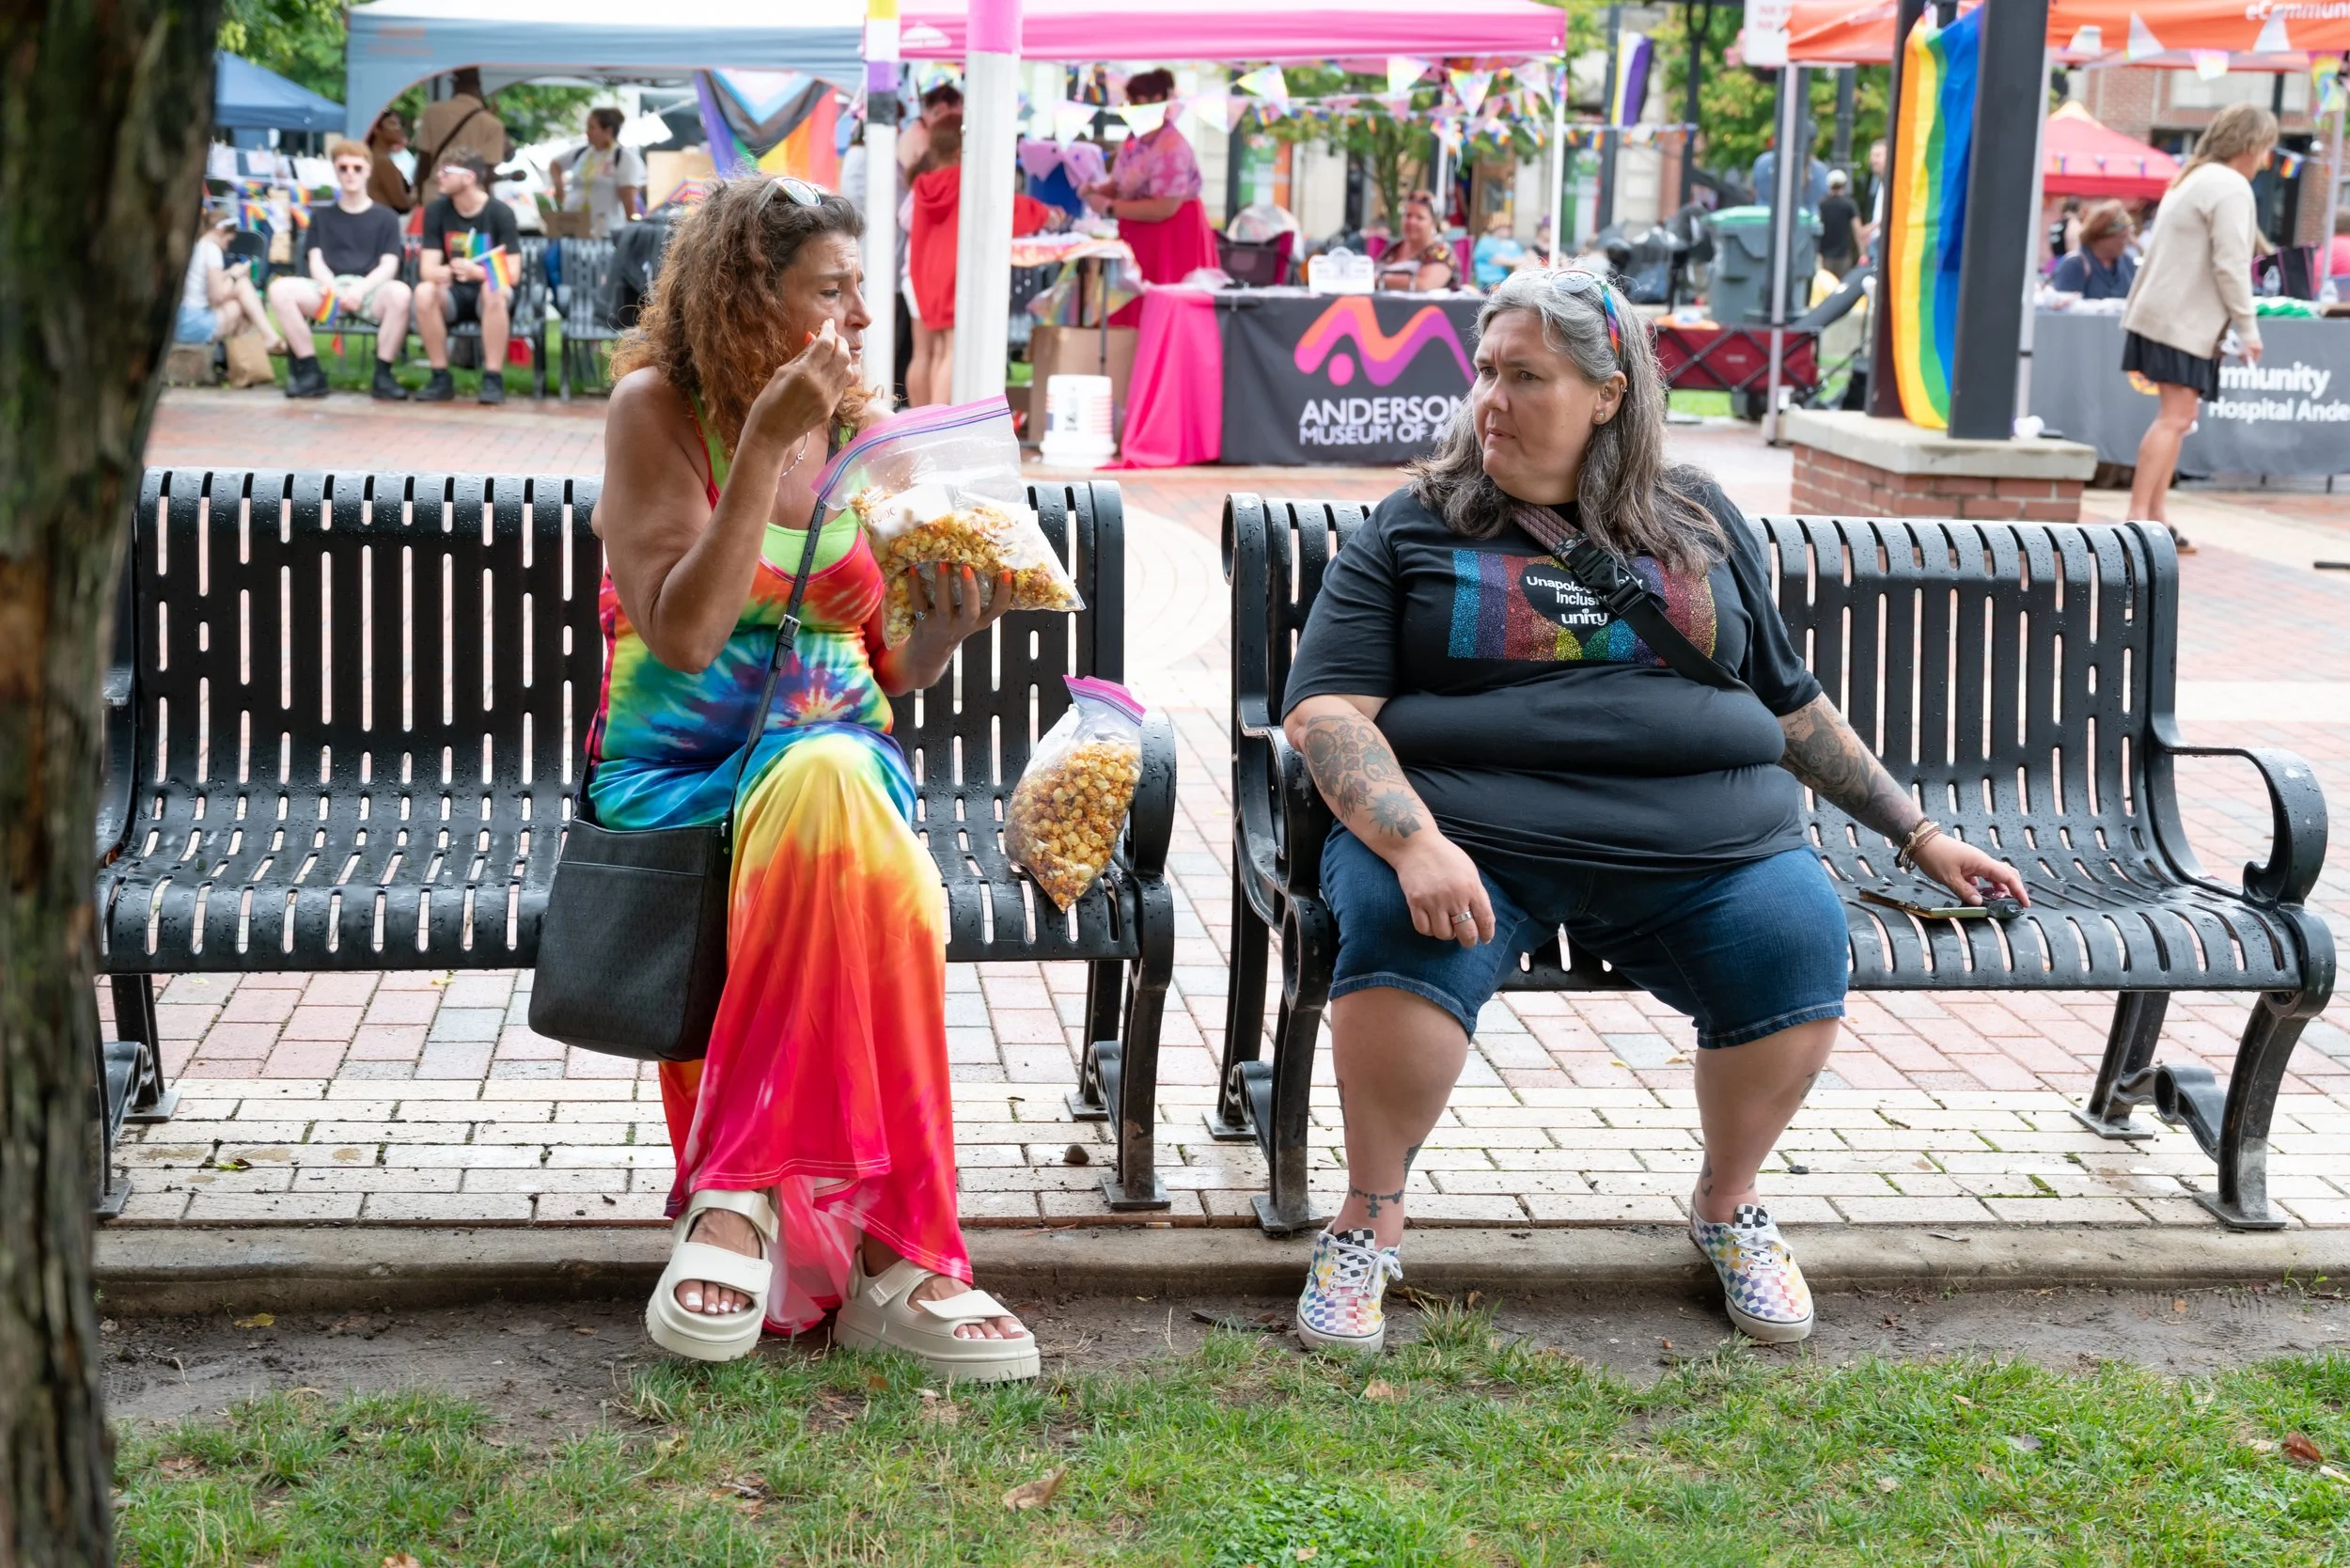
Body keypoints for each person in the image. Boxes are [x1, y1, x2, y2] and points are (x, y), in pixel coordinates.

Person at [1276, 266, 2026, 1354]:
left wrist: (1917, 832)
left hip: (1704, 843)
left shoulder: (1697, 518)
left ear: (1608, 394)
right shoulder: (1416, 523)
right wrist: (1414, 842)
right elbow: (1327, 712)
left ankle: (1728, 1205)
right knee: (1398, 924)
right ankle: (1369, 1220)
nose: (1489, 399)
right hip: (1476, 838)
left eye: (1526, 376)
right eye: (1485, 370)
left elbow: (1787, 698)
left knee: (1794, 934)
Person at [595, 174, 1039, 1379]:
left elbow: (883, 666)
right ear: (747, 299)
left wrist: (949, 623)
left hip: (838, 774)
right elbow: (683, 636)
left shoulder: (861, 433)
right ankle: (903, 1257)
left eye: (859, 289)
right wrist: (762, 448)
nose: (852, 317)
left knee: (840, 783)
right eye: (825, 291)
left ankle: (733, 1200)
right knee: (863, 851)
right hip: (687, 785)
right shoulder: (657, 412)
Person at [2121, 102, 2276, 549]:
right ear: (2251, 145)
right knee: (2175, 418)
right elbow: (2231, 263)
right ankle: (2138, 519)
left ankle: (2155, 516)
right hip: (2181, 319)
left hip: (2168, 314)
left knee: (2178, 418)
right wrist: (2249, 328)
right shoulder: (2228, 186)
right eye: (2265, 147)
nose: (2266, 159)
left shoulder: (2194, 178)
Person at [905, 118, 1057, 406]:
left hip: (924, 274)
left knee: (928, 352)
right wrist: (1044, 214)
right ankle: (940, 427)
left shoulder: (924, 184)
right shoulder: (967, 178)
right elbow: (1006, 209)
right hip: (955, 272)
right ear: (963, 146)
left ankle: (919, 422)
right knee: (951, 350)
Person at [265, 139, 413, 400]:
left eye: (357, 168)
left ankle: (383, 375)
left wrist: (360, 289)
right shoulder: (321, 217)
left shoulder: (386, 217)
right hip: (328, 291)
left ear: (368, 170)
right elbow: (316, 259)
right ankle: (310, 372)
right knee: (279, 290)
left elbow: (389, 265)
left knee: (400, 293)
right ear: (336, 171)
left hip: (370, 291)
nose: (350, 174)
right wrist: (330, 285)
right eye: (343, 168)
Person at [1080, 68, 1220, 319]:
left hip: (1171, 235)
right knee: (1131, 303)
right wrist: (1096, 190)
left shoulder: (1171, 146)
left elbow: (1165, 207)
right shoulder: (1136, 139)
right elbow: (1122, 182)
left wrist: (1110, 207)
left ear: (1155, 102)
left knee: (1160, 307)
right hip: (1138, 232)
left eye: (1134, 103)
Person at [415, 151, 522, 405]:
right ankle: (440, 377)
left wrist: (477, 273)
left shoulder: (500, 212)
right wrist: (447, 271)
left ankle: (492, 378)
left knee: (494, 289)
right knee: (423, 292)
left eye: (446, 172)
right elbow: (427, 268)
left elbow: (513, 273)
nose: (438, 177)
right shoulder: (436, 211)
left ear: (469, 177)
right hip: (453, 292)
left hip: (489, 294)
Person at [176, 202, 284, 353]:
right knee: (241, 302)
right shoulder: (211, 250)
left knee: (243, 294)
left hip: (181, 322)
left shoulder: (199, 247)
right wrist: (234, 275)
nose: (227, 246)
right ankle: (256, 349)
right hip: (193, 325)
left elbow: (205, 285)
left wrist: (230, 273)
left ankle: (248, 354)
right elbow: (217, 297)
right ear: (220, 231)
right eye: (228, 240)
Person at [552, 107, 646, 238]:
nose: (587, 132)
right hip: (572, 227)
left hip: (604, 231)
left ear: (607, 131)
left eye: (592, 127)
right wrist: (559, 188)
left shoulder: (623, 157)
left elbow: (628, 198)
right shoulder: (582, 153)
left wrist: (633, 234)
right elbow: (555, 164)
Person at [415, 68, 509, 190]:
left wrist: (420, 195)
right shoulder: (493, 124)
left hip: (435, 193)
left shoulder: (432, 112)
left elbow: (424, 162)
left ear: (454, 83)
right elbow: (487, 173)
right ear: (479, 86)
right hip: (470, 199)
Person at [2049, 201, 2137, 300]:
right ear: (2101, 237)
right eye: (2122, 238)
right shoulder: (2075, 265)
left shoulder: (2127, 263)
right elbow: (2062, 309)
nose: (2125, 243)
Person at [1375, 191, 1459, 292]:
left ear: (1433, 223)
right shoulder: (1394, 249)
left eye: (1420, 217)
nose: (1411, 222)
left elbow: (1424, 284)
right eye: (1408, 215)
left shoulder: (1441, 252)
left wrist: (1380, 280)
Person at [895, 81, 965, 180]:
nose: (961, 116)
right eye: (959, 107)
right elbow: (936, 179)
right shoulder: (923, 136)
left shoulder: (918, 128)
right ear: (943, 108)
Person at [366, 109, 415, 213]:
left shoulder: (372, 157)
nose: (399, 129)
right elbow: (402, 203)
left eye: (399, 124)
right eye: (392, 124)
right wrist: (417, 194)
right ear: (376, 129)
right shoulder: (383, 161)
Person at [1816, 169, 1862, 278]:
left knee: (1826, 288)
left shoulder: (1822, 204)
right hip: (1843, 256)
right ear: (1845, 185)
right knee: (1842, 288)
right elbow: (1857, 230)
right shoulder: (1849, 204)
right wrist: (1862, 253)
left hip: (1825, 257)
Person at [1471, 212, 1528, 290]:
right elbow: (1501, 260)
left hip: (1507, 285)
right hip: (1488, 286)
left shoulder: (1511, 244)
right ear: (1494, 227)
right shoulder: (1485, 242)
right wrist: (1517, 261)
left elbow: (1524, 261)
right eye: (1504, 226)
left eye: (1509, 227)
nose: (1508, 230)